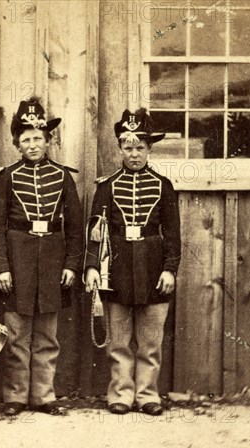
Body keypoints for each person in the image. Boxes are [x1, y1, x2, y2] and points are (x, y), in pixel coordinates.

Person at [0, 99, 84, 416]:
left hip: (53, 263)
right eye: (26, 139)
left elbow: (75, 227)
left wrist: (71, 264)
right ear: (17, 143)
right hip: (17, 261)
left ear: (48, 140)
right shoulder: (7, 177)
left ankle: (43, 396)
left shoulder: (63, 177)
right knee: (16, 333)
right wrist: (1, 267)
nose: (32, 144)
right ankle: (15, 396)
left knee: (47, 335)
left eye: (38, 138)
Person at [84, 108, 181, 416]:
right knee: (119, 340)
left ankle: (147, 395)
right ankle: (121, 395)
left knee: (151, 340)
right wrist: (92, 267)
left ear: (150, 148)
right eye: (129, 147)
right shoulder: (107, 186)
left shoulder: (163, 186)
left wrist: (169, 268)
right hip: (118, 265)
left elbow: (173, 233)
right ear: (120, 148)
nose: (135, 153)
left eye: (141, 147)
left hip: (153, 264)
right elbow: (96, 233)